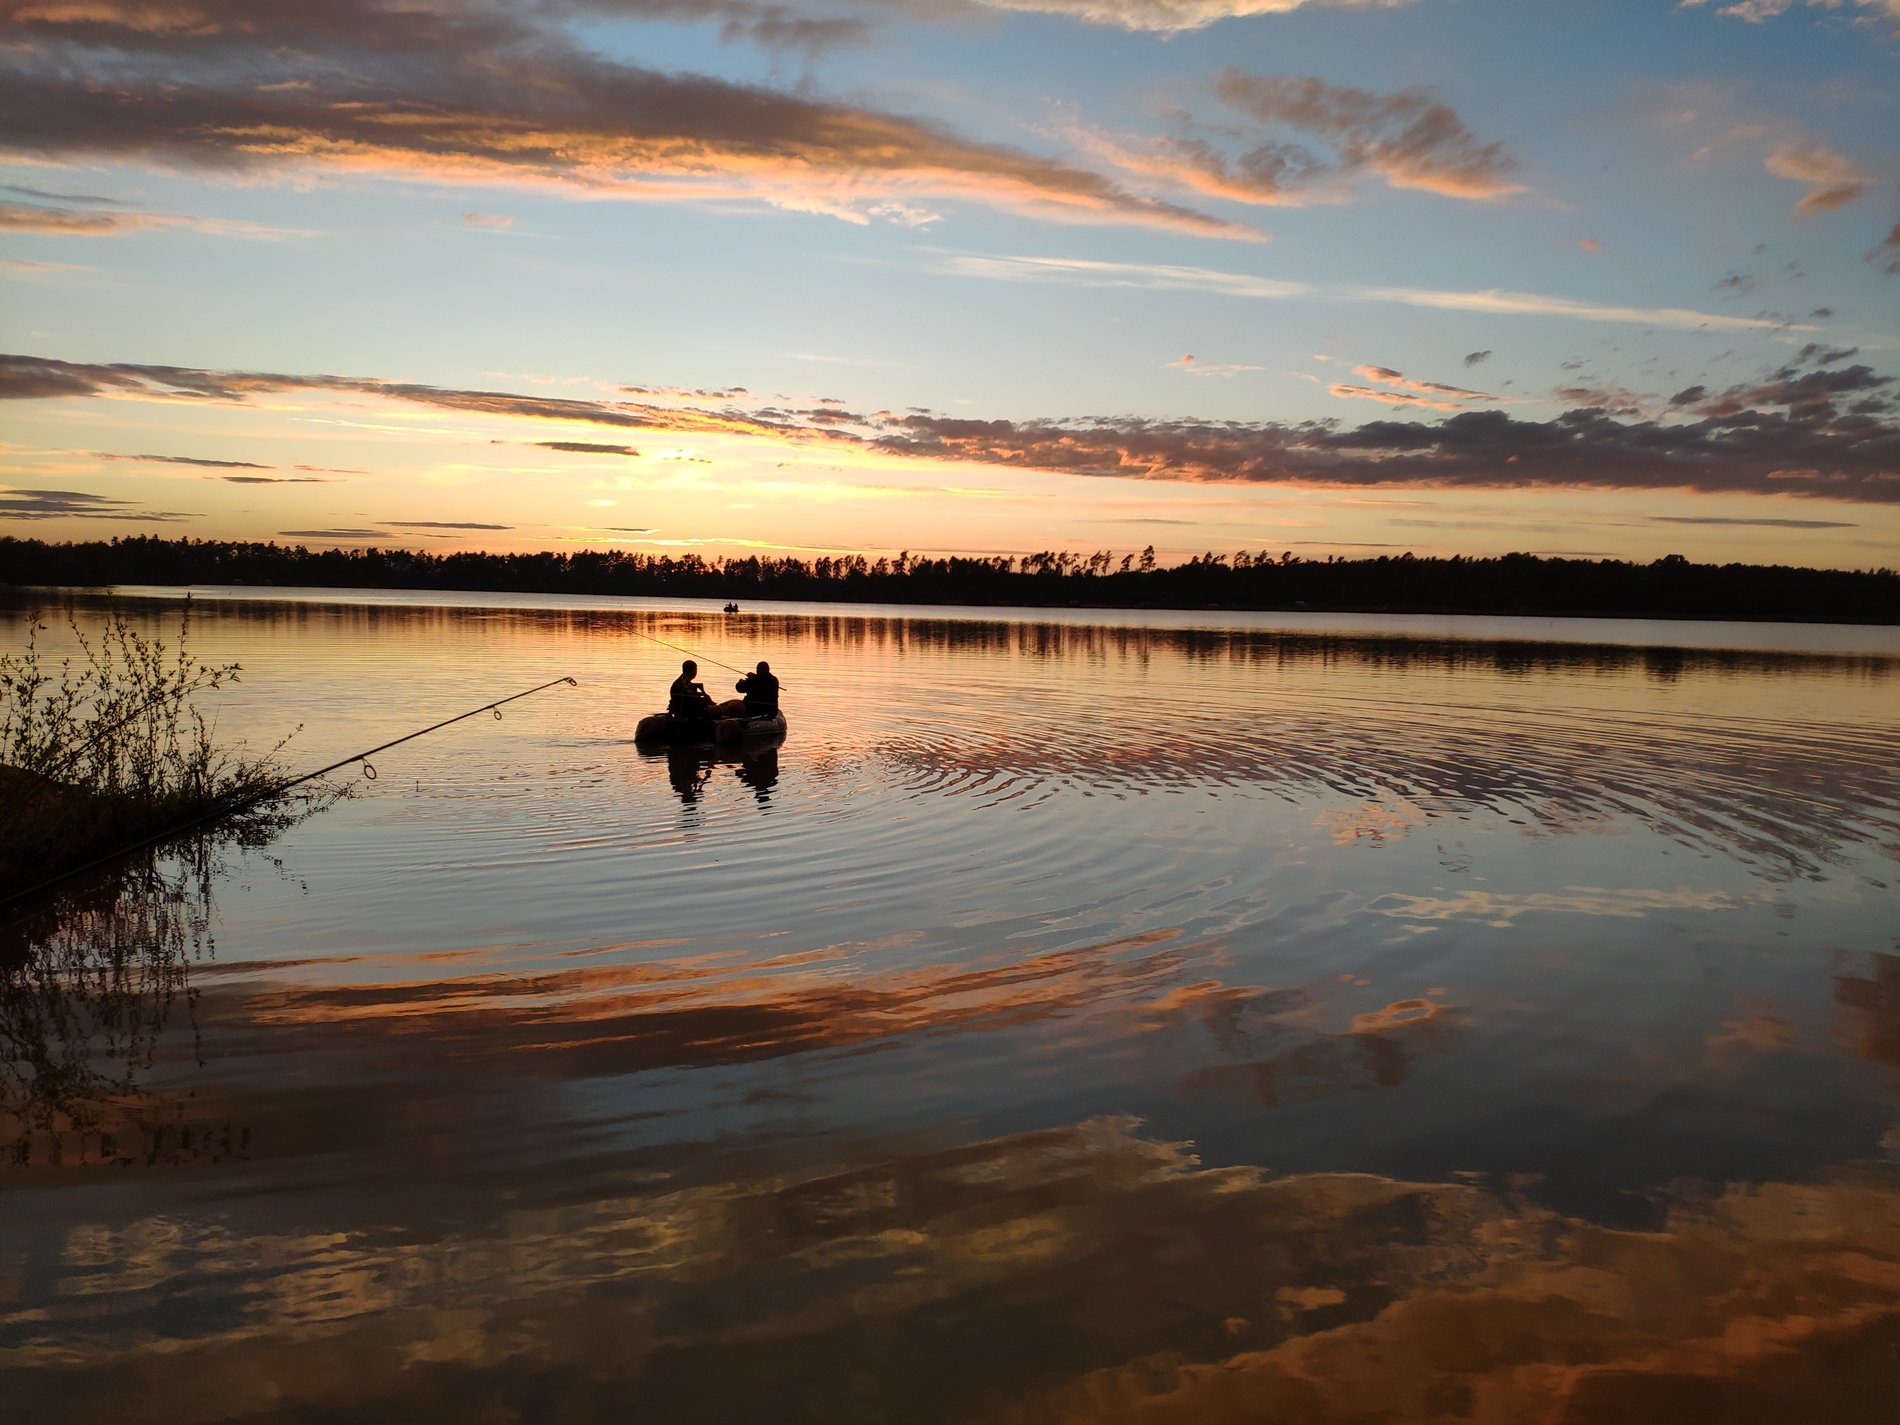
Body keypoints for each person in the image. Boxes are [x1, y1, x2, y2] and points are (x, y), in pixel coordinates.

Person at [668, 659, 714, 726]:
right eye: (696, 670)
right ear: (693, 671)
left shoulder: (681, 681)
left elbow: (690, 695)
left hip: (681, 709)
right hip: (688, 713)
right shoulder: (684, 685)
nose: (696, 672)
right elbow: (694, 700)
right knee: (717, 709)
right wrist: (703, 692)